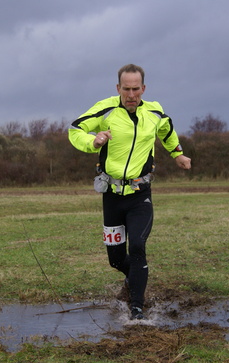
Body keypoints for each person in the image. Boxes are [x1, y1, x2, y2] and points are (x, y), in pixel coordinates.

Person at [68, 64, 191, 320]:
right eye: (126, 89)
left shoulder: (155, 113)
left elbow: (167, 132)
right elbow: (75, 129)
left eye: (136, 89)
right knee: (115, 260)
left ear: (143, 89)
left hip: (140, 194)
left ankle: (137, 309)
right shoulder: (107, 109)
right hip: (112, 195)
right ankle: (134, 279)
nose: (131, 94)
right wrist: (93, 141)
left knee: (137, 246)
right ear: (118, 88)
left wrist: (178, 154)